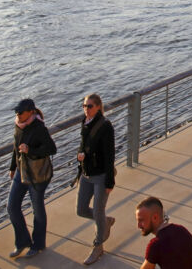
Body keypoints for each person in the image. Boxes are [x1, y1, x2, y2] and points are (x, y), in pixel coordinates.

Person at [7, 99, 56, 259]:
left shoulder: (39, 128)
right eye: (16, 112)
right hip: (22, 171)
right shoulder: (18, 126)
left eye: (20, 112)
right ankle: (22, 242)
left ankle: (38, 244)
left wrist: (30, 150)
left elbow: (51, 148)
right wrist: (13, 167)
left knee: (37, 209)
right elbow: (16, 147)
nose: (18, 115)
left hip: (37, 174)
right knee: (12, 206)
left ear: (30, 112)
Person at [76, 93, 116, 265]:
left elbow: (109, 155)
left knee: (98, 211)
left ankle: (98, 247)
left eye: (90, 106)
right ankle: (105, 222)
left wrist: (109, 182)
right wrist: (80, 163)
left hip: (101, 176)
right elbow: (84, 146)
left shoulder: (105, 126)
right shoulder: (84, 123)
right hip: (86, 174)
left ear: (99, 106)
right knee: (81, 209)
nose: (86, 109)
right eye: (84, 106)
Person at [136, 196, 192, 269]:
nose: (138, 225)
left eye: (141, 220)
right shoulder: (182, 230)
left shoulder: (156, 245)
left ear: (155, 217)